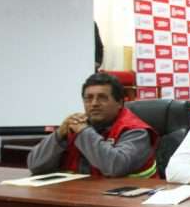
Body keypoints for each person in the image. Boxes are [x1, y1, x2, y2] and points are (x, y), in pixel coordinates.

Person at [27, 72, 157, 177]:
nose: (94, 103)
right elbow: (34, 165)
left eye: (102, 97)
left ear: (119, 103)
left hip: (128, 199)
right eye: (88, 98)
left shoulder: (136, 131)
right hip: (77, 195)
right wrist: (58, 136)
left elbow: (116, 167)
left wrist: (83, 132)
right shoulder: (75, 126)